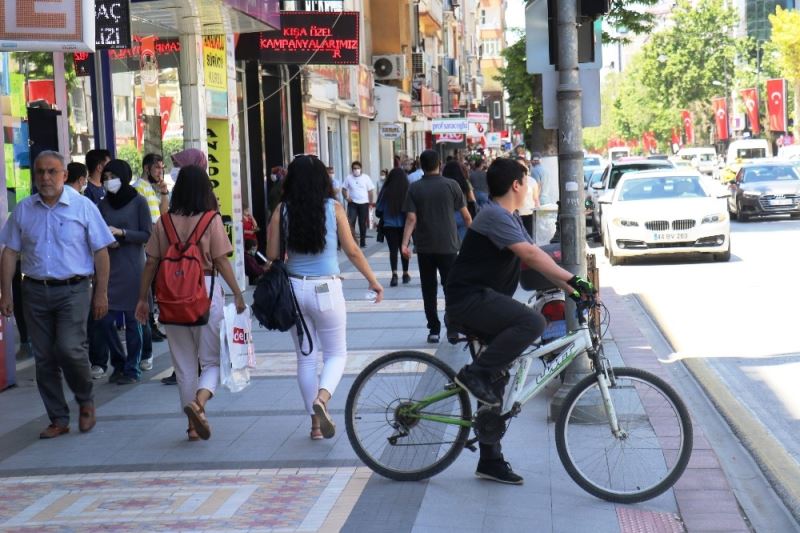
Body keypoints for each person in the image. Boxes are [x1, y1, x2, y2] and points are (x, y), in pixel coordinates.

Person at [445, 157, 594, 484]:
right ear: (516, 184)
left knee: (496, 382)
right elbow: (530, 255)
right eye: (527, 181)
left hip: (481, 300)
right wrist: (574, 279)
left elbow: (535, 260)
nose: (529, 187)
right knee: (533, 323)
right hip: (469, 300)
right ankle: (474, 373)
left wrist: (572, 290)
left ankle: (490, 460)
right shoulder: (494, 215)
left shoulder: (507, 217)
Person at [266, 155, 383, 440]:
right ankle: (323, 397)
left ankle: (315, 426)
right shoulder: (334, 208)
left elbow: (271, 255)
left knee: (306, 358)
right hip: (327, 289)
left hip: (294, 289)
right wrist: (373, 280)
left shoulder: (282, 210)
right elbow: (352, 250)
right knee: (336, 353)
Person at [0, 150, 115, 439]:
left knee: (69, 348)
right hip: (34, 290)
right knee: (44, 359)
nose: (45, 177)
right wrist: (6, 294)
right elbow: (10, 252)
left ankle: (85, 399)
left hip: (74, 290)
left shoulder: (83, 207)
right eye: (40, 172)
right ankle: (58, 418)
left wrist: (101, 293)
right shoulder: (24, 210)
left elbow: (101, 251)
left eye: (52, 171)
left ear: (64, 175)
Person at [135, 165, 246, 441]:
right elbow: (221, 261)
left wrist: (142, 299)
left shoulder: (164, 222)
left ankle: (193, 427)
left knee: (184, 366)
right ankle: (199, 404)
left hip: (171, 298)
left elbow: (151, 262)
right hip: (205, 294)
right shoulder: (211, 220)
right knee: (211, 362)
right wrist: (237, 293)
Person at [401, 149, 472, 344]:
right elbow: (466, 217)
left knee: (428, 288)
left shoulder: (414, 188)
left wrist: (404, 243)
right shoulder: (452, 185)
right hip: (449, 245)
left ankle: (433, 329)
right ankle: (453, 328)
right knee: (451, 288)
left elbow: (411, 218)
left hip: (425, 247)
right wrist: (474, 240)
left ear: (421, 166)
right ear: (439, 164)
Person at [98, 160, 152, 385]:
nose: (109, 181)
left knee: (133, 321)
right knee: (103, 320)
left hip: (132, 268)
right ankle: (118, 362)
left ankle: (132, 368)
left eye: (113, 176)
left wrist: (122, 232)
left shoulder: (138, 201)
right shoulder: (103, 204)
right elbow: (96, 231)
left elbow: (147, 234)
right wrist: (106, 239)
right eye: (106, 177)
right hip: (109, 268)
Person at [132, 153, 169, 369]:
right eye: (157, 168)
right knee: (150, 287)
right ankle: (150, 324)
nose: (160, 172)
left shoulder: (153, 189)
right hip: (148, 246)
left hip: (157, 243)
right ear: (147, 168)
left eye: (162, 168)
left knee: (155, 287)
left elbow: (163, 215)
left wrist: (164, 192)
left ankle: (153, 323)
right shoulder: (139, 188)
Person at [84, 149, 112, 380]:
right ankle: (99, 360)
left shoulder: (108, 191)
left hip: (116, 262)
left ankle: (121, 360)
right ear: (100, 167)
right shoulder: (88, 196)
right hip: (95, 264)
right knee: (97, 314)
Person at [376, 168, 410, 287]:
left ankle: (394, 275)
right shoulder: (407, 190)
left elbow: (379, 209)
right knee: (404, 248)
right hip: (405, 225)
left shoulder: (386, 190)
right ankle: (405, 273)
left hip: (389, 225)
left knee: (393, 250)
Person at [342, 161, 376, 248]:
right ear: (352, 169)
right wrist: (346, 197)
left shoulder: (366, 178)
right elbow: (343, 189)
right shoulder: (348, 178)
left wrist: (370, 203)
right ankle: (353, 242)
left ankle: (363, 242)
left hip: (364, 203)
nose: (356, 170)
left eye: (358, 168)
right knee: (351, 222)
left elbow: (370, 191)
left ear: (361, 169)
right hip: (352, 203)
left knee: (362, 223)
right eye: (354, 168)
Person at [442, 161, 477, 241]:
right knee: (462, 243)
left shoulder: (443, 184)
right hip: (463, 215)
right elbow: (472, 199)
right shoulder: (465, 182)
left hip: (447, 217)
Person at [514, 156, 541, 237]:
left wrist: (538, 213)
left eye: (521, 165)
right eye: (517, 165)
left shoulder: (532, 181)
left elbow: (536, 199)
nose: (519, 168)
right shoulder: (510, 181)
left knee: (529, 237)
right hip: (516, 215)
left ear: (526, 166)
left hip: (530, 214)